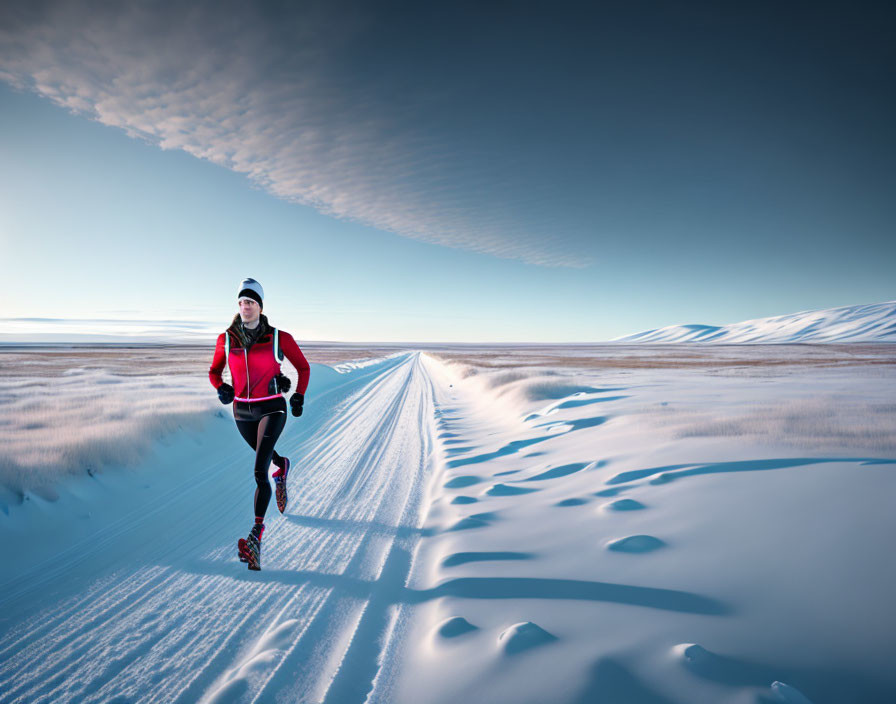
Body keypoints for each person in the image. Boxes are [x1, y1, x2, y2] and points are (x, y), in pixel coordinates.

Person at [208, 278, 311, 570]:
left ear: (260, 306)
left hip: (272, 409)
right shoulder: (226, 340)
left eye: (250, 302)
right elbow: (214, 371)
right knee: (262, 457)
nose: (245, 307)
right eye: (241, 302)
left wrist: (298, 396)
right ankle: (282, 467)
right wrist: (221, 387)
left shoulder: (279, 337)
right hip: (242, 412)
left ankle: (255, 537)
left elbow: (303, 367)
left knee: (258, 470)